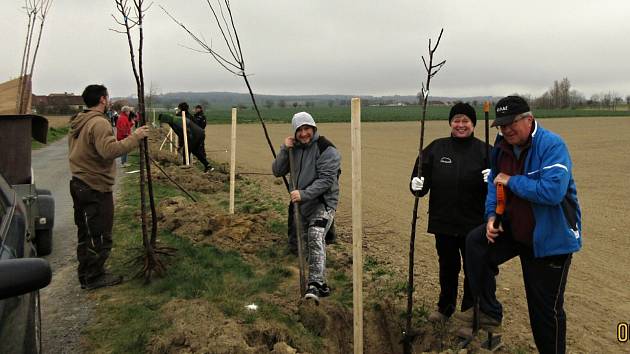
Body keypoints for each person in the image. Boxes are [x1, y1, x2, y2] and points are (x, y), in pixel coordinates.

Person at [458, 96, 582, 353]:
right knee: (476, 243)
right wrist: (492, 217)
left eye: (511, 123)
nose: (506, 130)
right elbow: (495, 182)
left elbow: (553, 192)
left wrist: (512, 180)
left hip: (550, 240)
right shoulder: (501, 147)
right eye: (501, 126)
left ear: (529, 118)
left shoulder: (551, 145)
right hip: (516, 230)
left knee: (544, 313)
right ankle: (489, 312)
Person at [408, 102, 491, 322]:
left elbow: (500, 188)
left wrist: (492, 181)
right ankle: (445, 307)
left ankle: (471, 310)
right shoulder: (436, 148)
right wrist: (415, 185)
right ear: (450, 123)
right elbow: (420, 181)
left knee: (474, 267)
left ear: (473, 124)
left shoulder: (486, 151)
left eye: (466, 121)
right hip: (443, 221)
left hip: (474, 224)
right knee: (448, 266)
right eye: (457, 120)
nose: (461, 125)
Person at [68, 84, 149, 290]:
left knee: (85, 232)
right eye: (108, 97)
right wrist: (136, 137)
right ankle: (93, 276)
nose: (109, 100)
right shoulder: (99, 123)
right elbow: (109, 151)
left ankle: (86, 273)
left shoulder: (79, 121)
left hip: (79, 183)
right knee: (100, 232)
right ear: (103, 99)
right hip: (94, 185)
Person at [272, 112, 341, 302]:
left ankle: (316, 284)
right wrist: (285, 150)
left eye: (307, 129)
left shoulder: (326, 149)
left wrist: (303, 194)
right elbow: (277, 171)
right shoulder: (294, 149)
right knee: (305, 244)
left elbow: (326, 181)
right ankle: (322, 285)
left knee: (315, 234)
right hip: (301, 205)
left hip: (323, 203)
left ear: (313, 128)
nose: (303, 134)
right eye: (299, 130)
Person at [158, 106, 213, 172]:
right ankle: (208, 166)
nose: (163, 123)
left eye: (163, 121)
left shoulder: (175, 122)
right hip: (199, 134)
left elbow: (182, 134)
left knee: (186, 151)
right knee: (195, 151)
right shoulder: (174, 120)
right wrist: (181, 145)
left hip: (195, 135)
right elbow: (182, 135)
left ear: (166, 119)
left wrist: (181, 145)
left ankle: (186, 169)